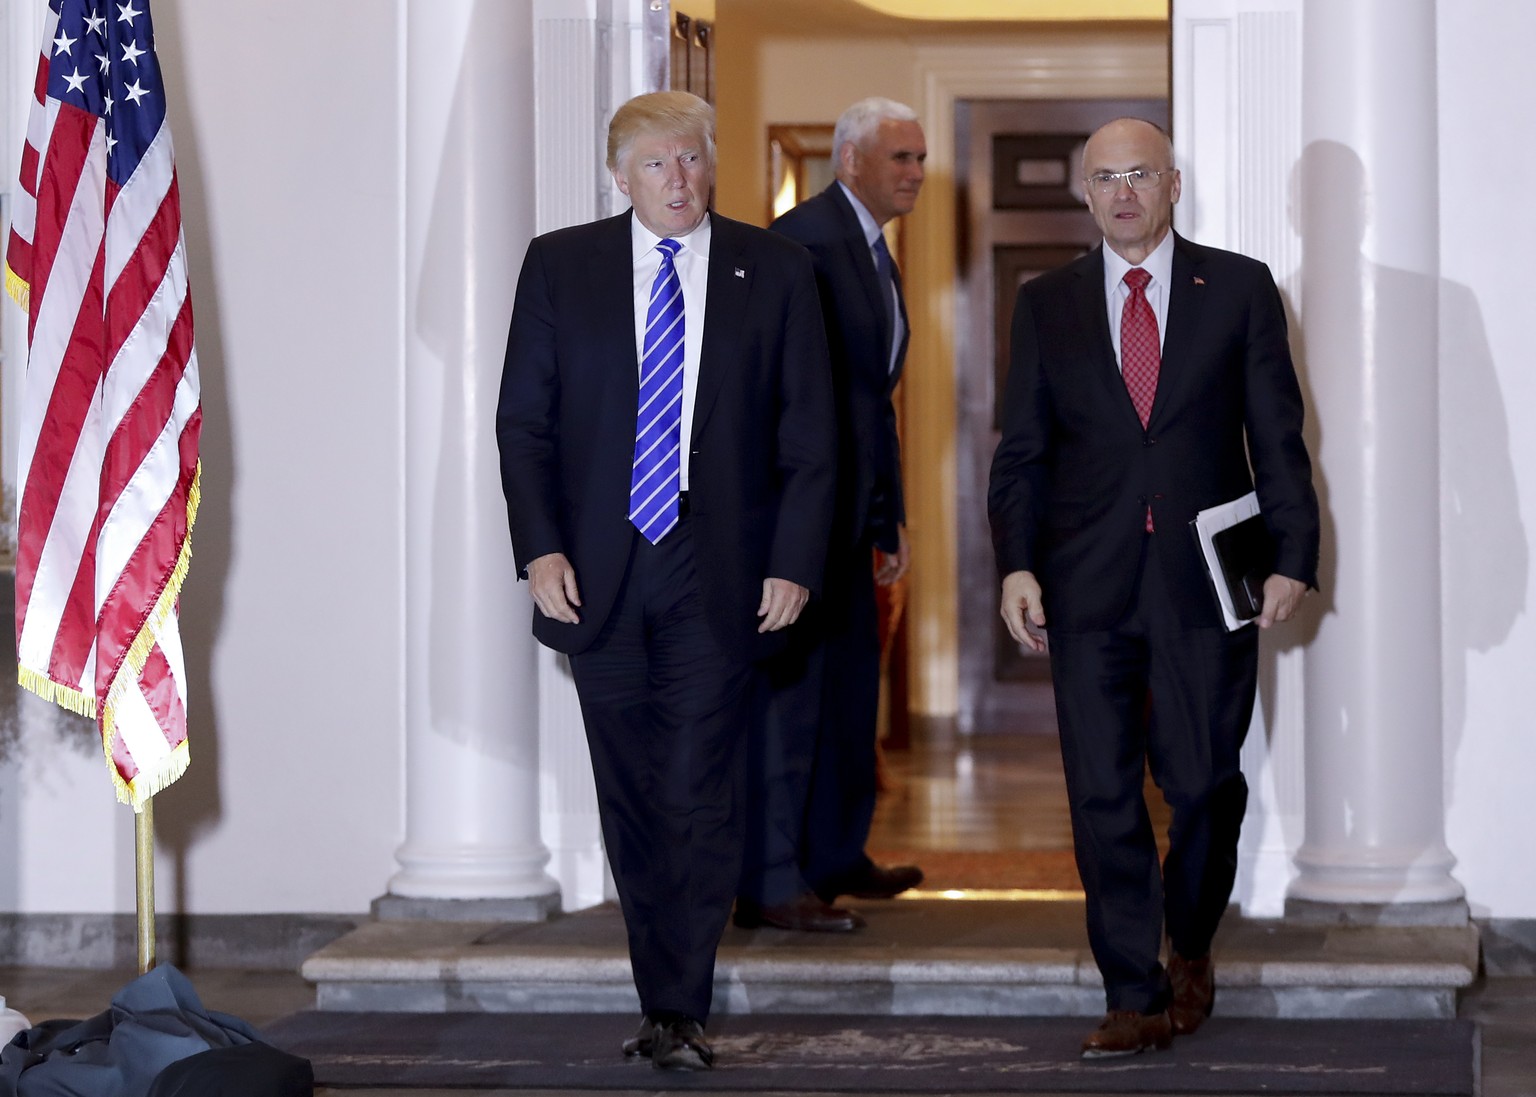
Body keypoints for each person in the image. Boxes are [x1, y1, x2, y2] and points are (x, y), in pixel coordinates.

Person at [496, 90, 835, 1071]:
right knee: (633, 792)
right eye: (657, 165)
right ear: (621, 177)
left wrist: (794, 560)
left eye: (690, 159)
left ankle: (679, 1005)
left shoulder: (774, 269)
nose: (679, 180)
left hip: (718, 567)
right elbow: (525, 424)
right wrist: (540, 547)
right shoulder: (562, 266)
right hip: (596, 573)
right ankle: (661, 987)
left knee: (698, 785)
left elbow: (813, 438)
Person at [987, 118, 1319, 1059]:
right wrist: (1016, 561)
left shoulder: (1241, 288)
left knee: (1207, 783)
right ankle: (1132, 989)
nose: (1122, 191)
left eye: (1139, 174)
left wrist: (1293, 551)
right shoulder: (1045, 300)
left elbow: (1277, 433)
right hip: (1084, 583)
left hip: (1207, 582)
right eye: (1104, 178)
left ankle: (1192, 939)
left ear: (1174, 184)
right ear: (1085, 195)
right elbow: (1022, 450)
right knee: (1101, 792)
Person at [733, 98, 927, 934]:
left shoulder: (869, 247)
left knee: (851, 699)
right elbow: (788, 400)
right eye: (902, 159)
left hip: (852, 520)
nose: (916, 173)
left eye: (920, 159)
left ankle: (835, 856)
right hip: (799, 523)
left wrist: (887, 518)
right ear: (850, 161)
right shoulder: (803, 243)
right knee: (795, 705)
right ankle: (774, 882)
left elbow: (869, 401)